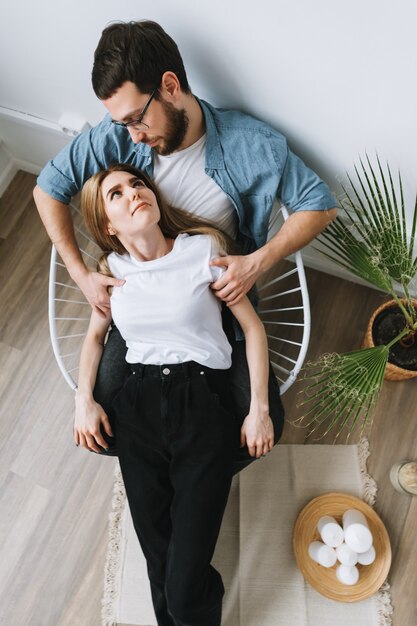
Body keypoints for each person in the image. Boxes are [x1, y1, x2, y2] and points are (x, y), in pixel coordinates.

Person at [34, 20, 337, 464]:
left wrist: (257, 261)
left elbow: (320, 205)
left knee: (254, 432)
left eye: (138, 118)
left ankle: (193, 471)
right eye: (123, 123)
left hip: (214, 297)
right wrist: (81, 276)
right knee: (103, 426)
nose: (132, 135)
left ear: (170, 86)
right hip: (142, 300)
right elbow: (47, 190)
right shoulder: (118, 132)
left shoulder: (249, 144)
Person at [75, 163, 275, 626]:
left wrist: (257, 409)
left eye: (137, 184)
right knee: (160, 563)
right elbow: (94, 340)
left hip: (202, 403)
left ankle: (194, 607)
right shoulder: (110, 272)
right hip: (137, 409)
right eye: (117, 194)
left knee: (181, 591)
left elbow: (251, 326)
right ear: (108, 225)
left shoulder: (201, 251)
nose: (133, 194)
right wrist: (84, 399)